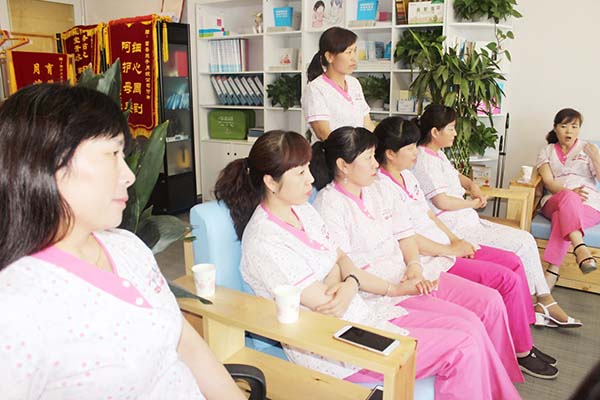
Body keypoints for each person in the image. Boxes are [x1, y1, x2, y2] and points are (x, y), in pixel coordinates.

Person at [215, 130, 521, 400]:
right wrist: (347, 281)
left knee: (468, 328)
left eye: (308, 168)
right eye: (300, 173)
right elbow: (327, 303)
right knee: (463, 347)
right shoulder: (264, 241)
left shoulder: (303, 211)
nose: (311, 179)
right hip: (331, 346)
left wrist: (347, 281)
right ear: (270, 181)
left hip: (362, 316)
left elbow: (340, 260)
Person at [0, 84, 245, 400]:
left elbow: (187, 344)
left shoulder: (126, 246)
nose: (128, 175)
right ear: (47, 162)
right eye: (112, 154)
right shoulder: (14, 308)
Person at [373, 116, 559, 379]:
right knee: (505, 280)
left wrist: (454, 240)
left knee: (513, 263)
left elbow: (429, 215)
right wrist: (450, 249)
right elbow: (405, 237)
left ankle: (520, 339)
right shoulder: (381, 188)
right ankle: (519, 351)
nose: (416, 152)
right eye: (410, 147)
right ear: (391, 154)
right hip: (429, 257)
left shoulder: (408, 177)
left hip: (444, 244)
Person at [411, 104, 581, 330]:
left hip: (467, 219)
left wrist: (472, 185)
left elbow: (456, 176)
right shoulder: (423, 161)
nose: (455, 133)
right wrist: (472, 203)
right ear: (435, 132)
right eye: (451, 128)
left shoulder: (438, 154)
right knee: (522, 244)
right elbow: (442, 202)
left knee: (526, 239)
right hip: (454, 227)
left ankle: (542, 301)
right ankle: (540, 302)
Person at [536, 108, 600, 285]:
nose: (569, 131)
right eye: (564, 126)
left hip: (589, 204)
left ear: (579, 129)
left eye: (574, 126)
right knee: (569, 198)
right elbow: (548, 182)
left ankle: (552, 272)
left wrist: (596, 157)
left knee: (561, 217)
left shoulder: (588, 149)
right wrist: (569, 193)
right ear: (555, 128)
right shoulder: (547, 151)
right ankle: (580, 247)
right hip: (555, 200)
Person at [302, 27, 375, 142]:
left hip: (360, 151)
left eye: (354, 51)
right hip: (333, 151)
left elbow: (368, 124)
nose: (354, 58)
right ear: (329, 57)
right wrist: (351, 150)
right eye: (348, 52)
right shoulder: (315, 89)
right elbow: (323, 133)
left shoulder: (354, 83)